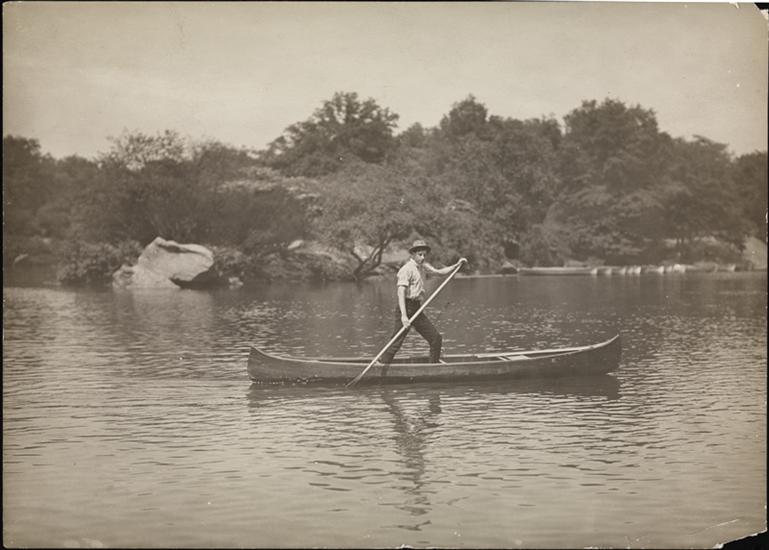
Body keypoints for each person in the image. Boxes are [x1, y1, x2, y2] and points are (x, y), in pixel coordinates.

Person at [378, 239, 466, 365]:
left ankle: (433, 367)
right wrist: (404, 316)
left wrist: (456, 265)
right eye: (420, 254)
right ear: (413, 254)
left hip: (417, 309)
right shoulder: (406, 269)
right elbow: (400, 292)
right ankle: (382, 365)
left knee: (435, 338)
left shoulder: (422, 266)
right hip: (405, 308)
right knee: (396, 342)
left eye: (424, 254)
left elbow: (439, 272)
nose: (423, 257)